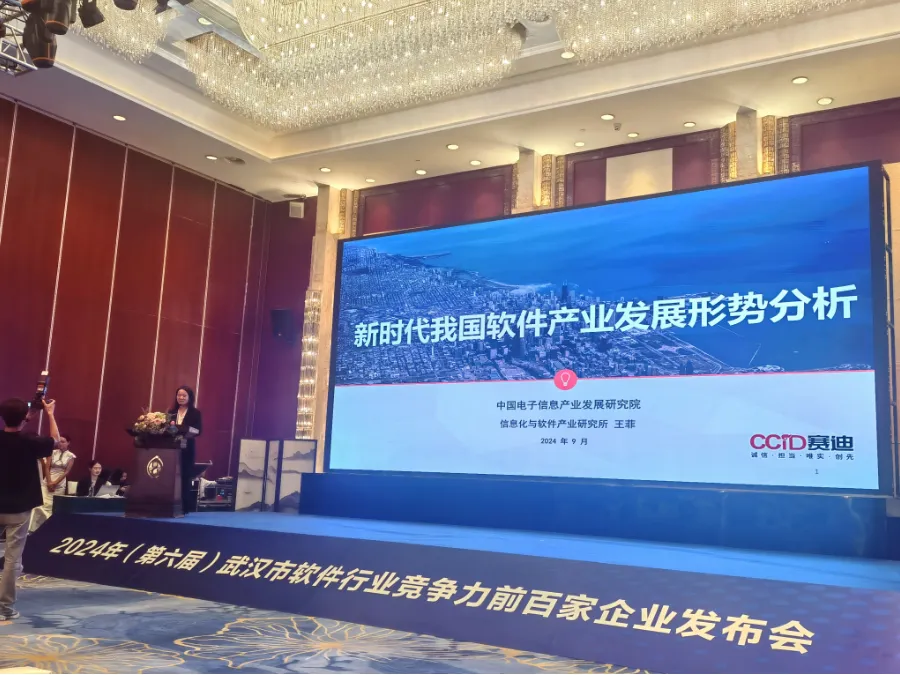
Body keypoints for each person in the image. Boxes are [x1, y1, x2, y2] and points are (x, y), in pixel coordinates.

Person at [0, 397, 60, 621]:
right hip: (19, 508)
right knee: (12, 559)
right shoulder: (30, 441)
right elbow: (56, 441)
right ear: (23, 417)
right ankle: (4, 608)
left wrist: (26, 416)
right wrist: (50, 413)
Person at [29, 434, 75, 531]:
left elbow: (66, 472)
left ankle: (48, 529)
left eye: (63, 442)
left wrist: (55, 483)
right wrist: (49, 482)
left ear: (68, 443)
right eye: (59, 441)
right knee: (40, 504)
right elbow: (47, 467)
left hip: (59, 483)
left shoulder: (71, 456)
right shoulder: (52, 452)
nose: (60, 443)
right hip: (47, 480)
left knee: (52, 506)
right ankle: (33, 529)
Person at [168, 386, 202, 513]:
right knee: (171, 476)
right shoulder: (171, 412)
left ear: (189, 397)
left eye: (184, 395)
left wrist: (184, 434)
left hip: (187, 447)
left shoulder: (195, 413)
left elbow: (198, 430)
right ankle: (170, 504)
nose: (181, 398)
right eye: (179, 395)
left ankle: (184, 506)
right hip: (172, 448)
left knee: (185, 476)